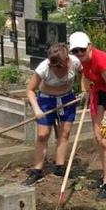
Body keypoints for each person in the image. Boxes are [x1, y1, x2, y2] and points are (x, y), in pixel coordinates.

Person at [69, 31, 106, 199]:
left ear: (89, 46)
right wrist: (84, 90)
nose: (79, 53)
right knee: (99, 138)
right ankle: (105, 176)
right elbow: (85, 76)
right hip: (99, 94)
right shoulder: (82, 61)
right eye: (75, 51)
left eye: (82, 49)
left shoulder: (101, 61)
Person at [23, 43, 83, 186]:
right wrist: (37, 109)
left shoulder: (74, 62)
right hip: (46, 100)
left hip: (67, 99)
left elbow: (83, 73)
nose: (57, 68)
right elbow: (30, 90)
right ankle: (37, 170)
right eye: (54, 66)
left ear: (67, 60)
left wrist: (83, 90)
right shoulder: (43, 68)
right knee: (43, 135)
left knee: (65, 133)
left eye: (60, 65)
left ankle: (60, 167)